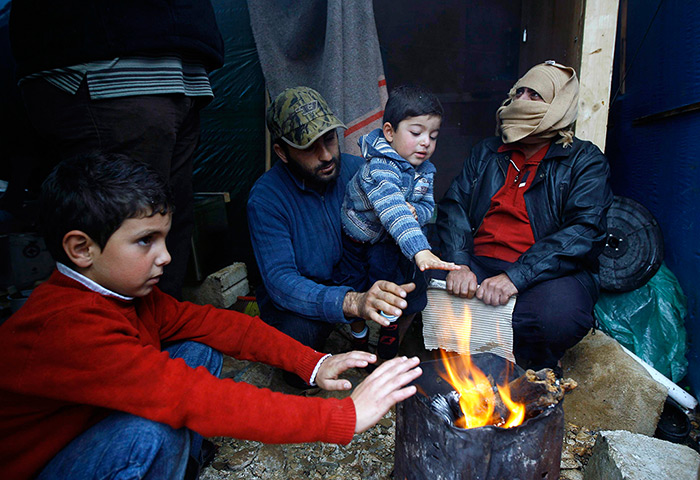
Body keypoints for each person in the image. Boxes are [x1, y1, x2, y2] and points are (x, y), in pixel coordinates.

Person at [0, 152, 423, 480]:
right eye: (145, 242)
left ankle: (181, 461)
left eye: (164, 238)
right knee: (151, 431)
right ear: (81, 250)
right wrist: (340, 418)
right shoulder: (68, 327)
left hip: (87, 422)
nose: (166, 257)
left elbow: (220, 324)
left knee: (197, 352)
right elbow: (195, 398)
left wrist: (313, 363)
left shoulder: (126, 296)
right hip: (44, 462)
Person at [8, 0, 225, 299]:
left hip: (183, 64)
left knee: (166, 219)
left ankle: (153, 338)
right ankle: (115, 341)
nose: (165, 258)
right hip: (106, 62)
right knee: (124, 227)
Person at [436, 61, 613, 371]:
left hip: (544, 273)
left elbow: (585, 230)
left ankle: (533, 365)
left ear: (559, 106)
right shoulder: (487, 152)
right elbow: (454, 206)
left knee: (559, 315)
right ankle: (469, 359)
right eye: (520, 92)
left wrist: (515, 278)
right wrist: (459, 263)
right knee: (420, 276)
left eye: (535, 96)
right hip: (478, 261)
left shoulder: (585, 161)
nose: (522, 101)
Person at [247, 86, 421, 386]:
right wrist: (350, 302)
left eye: (329, 139)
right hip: (308, 296)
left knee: (416, 252)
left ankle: (388, 345)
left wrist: (412, 210)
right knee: (295, 346)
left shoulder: (359, 171)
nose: (326, 155)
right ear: (282, 153)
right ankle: (339, 341)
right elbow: (280, 282)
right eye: (309, 147)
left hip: (356, 274)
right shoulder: (265, 199)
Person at [334, 84, 459, 360]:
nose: (425, 142)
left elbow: (429, 208)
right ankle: (358, 335)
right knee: (353, 288)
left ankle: (389, 330)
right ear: (389, 132)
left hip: (389, 241)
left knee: (396, 284)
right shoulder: (379, 167)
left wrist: (418, 211)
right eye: (416, 133)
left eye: (433, 136)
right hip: (358, 240)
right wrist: (420, 248)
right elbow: (391, 208)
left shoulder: (425, 171)